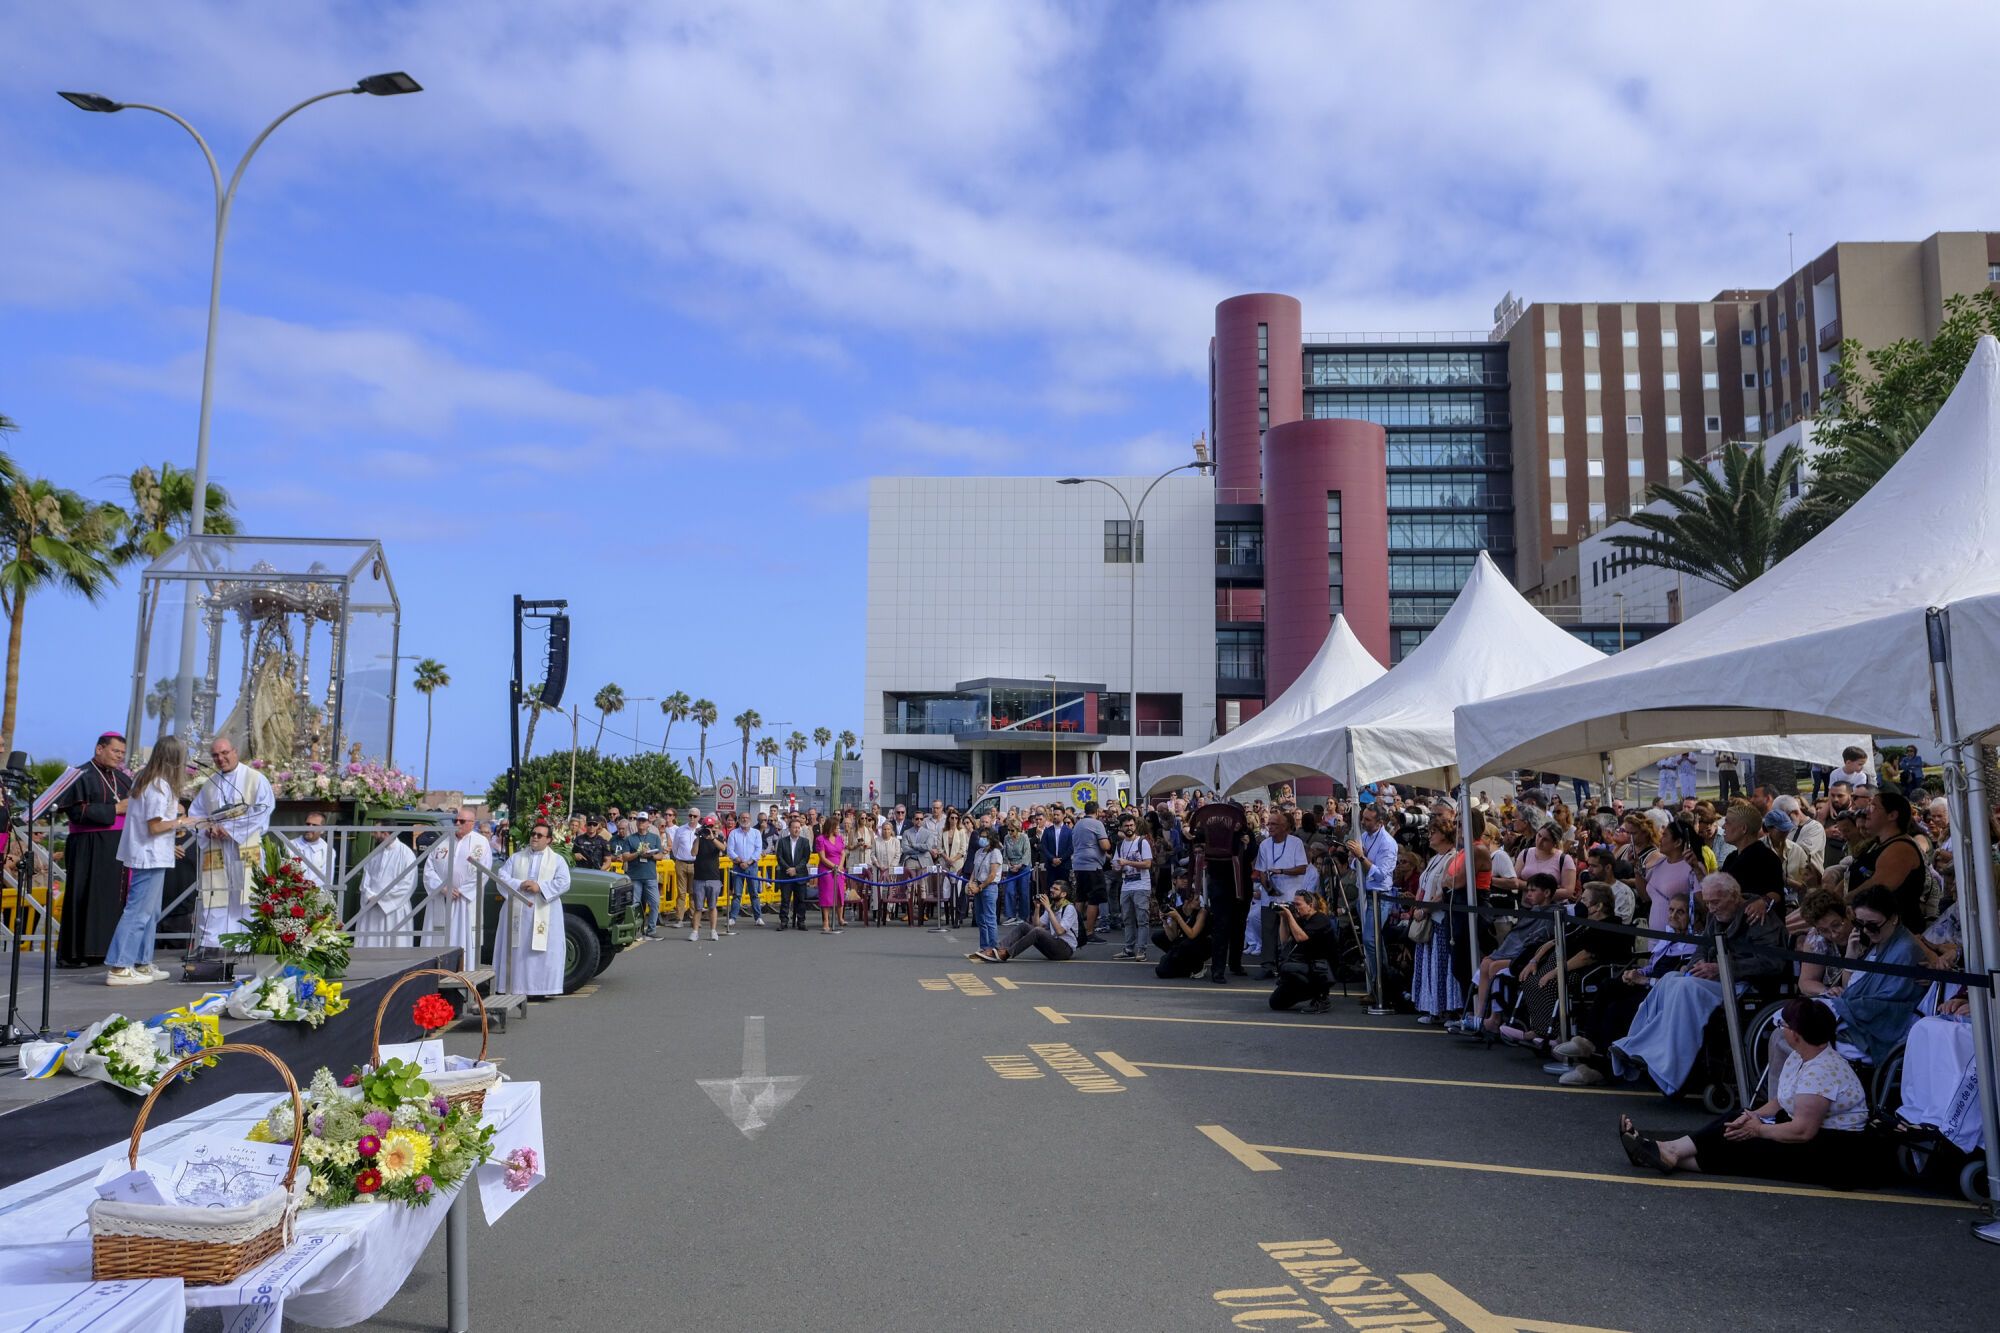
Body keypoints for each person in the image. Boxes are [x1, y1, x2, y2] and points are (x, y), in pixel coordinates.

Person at [1618, 998, 1881, 1188]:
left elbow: (1803, 1131)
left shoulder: (1821, 1071)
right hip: (1809, 1134)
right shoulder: (1802, 1056)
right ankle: (1665, 1152)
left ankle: (1662, 1153)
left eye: (1784, 1024)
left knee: (1748, 1148)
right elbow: (1781, 1101)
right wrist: (1751, 1117)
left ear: (1797, 1034)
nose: (1781, 1028)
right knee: (1735, 1120)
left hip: (1835, 1152)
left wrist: (1758, 1130)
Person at [1610, 874, 1781, 1095]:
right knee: (1670, 980)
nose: (1711, 908)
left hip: (1743, 983)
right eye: (1708, 902)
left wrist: (1722, 967)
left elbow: (1772, 962)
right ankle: (1638, 1046)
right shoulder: (1715, 916)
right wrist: (1694, 965)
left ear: (1734, 896)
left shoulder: (1758, 917)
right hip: (1712, 977)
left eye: (1716, 902)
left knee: (1684, 987)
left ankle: (1666, 1064)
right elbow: (1701, 948)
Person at [104, 736, 188, 985]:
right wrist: (183, 822)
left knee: (151, 913)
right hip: (148, 855)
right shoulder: (157, 784)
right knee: (138, 912)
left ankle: (142, 962)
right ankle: (120, 966)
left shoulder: (150, 780)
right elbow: (155, 826)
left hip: (154, 854)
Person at [54, 731, 136, 969]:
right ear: (100, 748)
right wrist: (115, 809)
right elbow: (75, 812)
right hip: (87, 846)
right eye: (115, 751)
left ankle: (104, 950)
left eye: (122, 752)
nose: (119, 757)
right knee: (85, 897)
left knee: (110, 899)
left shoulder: (123, 779)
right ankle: (79, 952)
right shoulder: (80, 775)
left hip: (115, 848)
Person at [188, 735, 276, 950]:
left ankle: (247, 943)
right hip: (216, 848)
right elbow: (195, 814)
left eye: (224, 753)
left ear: (235, 752)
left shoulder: (255, 779)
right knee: (216, 893)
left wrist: (232, 830)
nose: (220, 759)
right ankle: (213, 944)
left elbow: (263, 810)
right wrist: (207, 829)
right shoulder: (210, 784)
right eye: (215, 755)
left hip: (245, 845)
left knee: (248, 892)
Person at [493, 820, 571, 996]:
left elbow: (564, 882)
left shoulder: (557, 860)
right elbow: (502, 876)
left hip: (544, 908)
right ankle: (515, 986)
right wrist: (520, 884)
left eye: (539, 835)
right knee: (518, 949)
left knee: (541, 950)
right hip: (518, 910)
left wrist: (540, 887)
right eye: (533, 834)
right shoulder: (517, 857)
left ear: (549, 840)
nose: (534, 837)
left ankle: (542, 988)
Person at [1846, 790, 1929, 930]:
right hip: (1873, 927)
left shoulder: (1901, 848)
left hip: (1894, 931)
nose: (1867, 812)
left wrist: (1843, 901)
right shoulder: (1879, 844)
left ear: (1892, 815)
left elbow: (1878, 887)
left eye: (1873, 807)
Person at [424, 807, 494, 966]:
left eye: (461, 821)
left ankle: (462, 973)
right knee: (438, 938)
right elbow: (429, 869)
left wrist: (461, 892)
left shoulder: (481, 843)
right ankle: (434, 973)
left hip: (464, 902)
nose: (457, 823)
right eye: (455, 820)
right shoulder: (443, 840)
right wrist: (442, 888)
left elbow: (483, 871)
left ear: (472, 823)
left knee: (461, 938)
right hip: (441, 898)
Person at [1409, 821, 1463, 1025]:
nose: (1430, 836)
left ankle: (1448, 1009)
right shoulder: (1435, 858)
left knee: (1441, 966)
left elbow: (1444, 892)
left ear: (1445, 835)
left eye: (1434, 832)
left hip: (1439, 919)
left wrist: (1425, 909)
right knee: (1428, 965)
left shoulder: (1452, 858)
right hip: (1427, 918)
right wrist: (1417, 907)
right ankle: (1433, 1007)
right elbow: (1424, 886)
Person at [1348, 802, 1398, 994]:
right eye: (1363, 818)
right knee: (1371, 941)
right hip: (1364, 894)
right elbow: (1355, 865)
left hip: (1379, 897)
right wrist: (1356, 859)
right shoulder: (1365, 836)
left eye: (1368, 820)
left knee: (1371, 940)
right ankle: (1378, 980)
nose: (1364, 822)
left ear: (1380, 822)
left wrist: (1361, 858)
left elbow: (1380, 875)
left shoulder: (1387, 843)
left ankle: (1381, 983)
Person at [971, 880, 1076, 962]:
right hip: (1053, 946)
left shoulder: (1069, 908)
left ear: (1063, 894)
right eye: (1052, 888)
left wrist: (1048, 909)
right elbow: (1037, 925)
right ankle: (997, 949)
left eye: (1056, 889)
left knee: (1038, 931)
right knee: (1024, 926)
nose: (1052, 890)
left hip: (1064, 949)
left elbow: (1060, 931)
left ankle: (1006, 954)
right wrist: (1037, 908)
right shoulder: (1053, 906)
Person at [1269, 892, 1339, 1013]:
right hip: (1306, 965)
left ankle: (1321, 997)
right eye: (1293, 904)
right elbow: (1284, 940)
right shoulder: (1302, 919)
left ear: (1310, 905)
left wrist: (1290, 916)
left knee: (1286, 967)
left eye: (1298, 904)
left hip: (1322, 969)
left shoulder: (1320, 919)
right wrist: (1283, 918)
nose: (1295, 907)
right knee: (1275, 1003)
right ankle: (1308, 992)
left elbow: (1301, 937)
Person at [355, 826, 419, 947]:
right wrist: (369, 895)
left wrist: (382, 899)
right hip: (371, 907)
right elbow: (366, 877)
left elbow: (408, 883)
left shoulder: (406, 853)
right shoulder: (375, 853)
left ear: (385, 833)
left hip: (394, 909)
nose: (373, 835)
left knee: (393, 944)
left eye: (375, 832)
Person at [1113, 814, 1154, 962]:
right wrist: (1117, 866)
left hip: (1141, 885)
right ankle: (1129, 948)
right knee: (1128, 919)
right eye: (1126, 826)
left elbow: (1148, 864)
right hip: (1126, 885)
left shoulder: (1142, 842)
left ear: (1135, 826)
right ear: (1122, 828)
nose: (1129, 828)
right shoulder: (1120, 844)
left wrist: (1127, 862)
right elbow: (1117, 865)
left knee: (1142, 919)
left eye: (1131, 825)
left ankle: (1141, 950)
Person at [614, 816, 662, 937]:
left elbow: (660, 855)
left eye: (643, 821)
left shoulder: (655, 837)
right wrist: (638, 853)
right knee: (635, 904)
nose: (641, 823)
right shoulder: (630, 838)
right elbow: (625, 857)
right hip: (635, 876)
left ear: (648, 824)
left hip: (650, 875)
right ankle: (635, 930)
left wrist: (650, 855)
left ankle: (651, 929)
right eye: (639, 820)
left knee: (655, 903)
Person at [1070, 801, 1111, 943]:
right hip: (1093, 866)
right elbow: (1105, 845)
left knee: (1080, 898)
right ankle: (1089, 932)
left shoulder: (1078, 824)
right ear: (1097, 811)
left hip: (1079, 864)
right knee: (1094, 899)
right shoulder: (1097, 824)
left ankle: (1075, 930)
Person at [1152, 883, 1208, 978]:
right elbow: (1173, 937)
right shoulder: (1178, 911)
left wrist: (1178, 918)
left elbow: (1192, 934)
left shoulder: (1202, 912)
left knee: (1186, 944)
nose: (1199, 902)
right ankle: (1180, 963)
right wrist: (1165, 922)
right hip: (1183, 944)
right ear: (1187, 901)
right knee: (1161, 971)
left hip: (1200, 944)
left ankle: (1198, 966)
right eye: (1196, 900)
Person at [725, 811, 766, 928]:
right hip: (738, 866)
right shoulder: (733, 833)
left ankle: (758, 917)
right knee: (737, 893)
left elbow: (758, 849)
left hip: (752, 866)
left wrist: (748, 862)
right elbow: (730, 850)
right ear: (738, 819)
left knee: (754, 893)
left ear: (750, 819)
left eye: (747, 817)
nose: (745, 819)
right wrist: (740, 861)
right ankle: (732, 917)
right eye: (742, 818)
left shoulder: (756, 833)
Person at [966, 822, 1003, 951]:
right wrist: (971, 883)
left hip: (989, 887)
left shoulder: (995, 852)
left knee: (990, 918)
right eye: (981, 836)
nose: (982, 839)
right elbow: (975, 870)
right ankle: (984, 946)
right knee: (980, 919)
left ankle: (993, 947)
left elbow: (992, 874)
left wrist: (980, 887)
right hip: (978, 886)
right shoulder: (979, 852)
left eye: (985, 837)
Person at [772, 815, 813, 931]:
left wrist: (796, 869)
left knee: (801, 899)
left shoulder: (805, 842)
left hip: (800, 874)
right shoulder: (783, 841)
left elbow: (806, 858)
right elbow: (779, 857)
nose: (796, 830)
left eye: (798, 827)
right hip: (786, 874)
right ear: (789, 829)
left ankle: (801, 921)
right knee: (785, 899)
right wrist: (789, 869)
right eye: (794, 827)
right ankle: (784, 921)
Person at [688, 815, 725, 941]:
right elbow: (693, 853)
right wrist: (699, 837)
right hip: (699, 877)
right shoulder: (698, 839)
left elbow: (723, 848)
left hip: (713, 877)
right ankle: (695, 931)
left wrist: (712, 838)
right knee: (698, 907)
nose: (708, 829)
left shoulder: (718, 838)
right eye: (706, 827)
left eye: (711, 826)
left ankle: (713, 930)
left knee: (712, 906)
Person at [815, 816, 846, 935]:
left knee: (839, 893)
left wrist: (841, 866)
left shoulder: (839, 838)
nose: (838, 829)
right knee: (827, 895)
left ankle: (840, 918)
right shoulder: (821, 839)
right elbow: (822, 857)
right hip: (826, 870)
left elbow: (843, 853)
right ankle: (826, 922)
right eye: (837, 827)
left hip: (839, 869)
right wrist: (833, 866)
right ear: (831, 827)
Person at [289, 811, 333, 889]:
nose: (309, 827)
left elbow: (326, 878)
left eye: (314, 825)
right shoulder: (289, 845)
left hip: (317, 894)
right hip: (292, 892)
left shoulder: (328, 850)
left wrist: (310, 888)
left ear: (322, 830)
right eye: (308, 824)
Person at [1001, 816, 1032, 925]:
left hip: (1023, 867)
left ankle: (1023, 916)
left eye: (1012, 830)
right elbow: (1005, 853)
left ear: (1018, 829)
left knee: (1023, 892)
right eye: (1008, 830)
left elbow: (1027, 853)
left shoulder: (1024, 837)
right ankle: (1011, 915)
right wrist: (1009, 865)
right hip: (1011, 866)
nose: (1010, 832)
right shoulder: (1006, 838)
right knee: (1009, 890)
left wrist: (1019, 865)